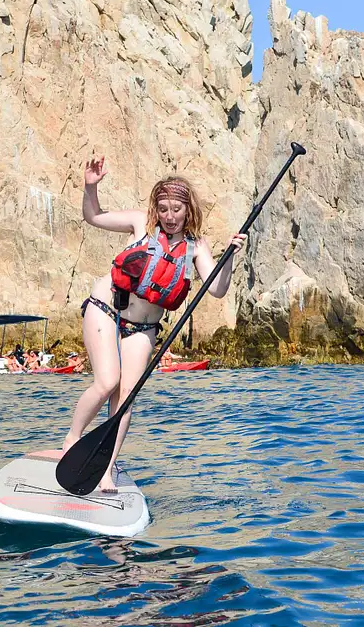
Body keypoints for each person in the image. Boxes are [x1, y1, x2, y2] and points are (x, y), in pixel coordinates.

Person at [62, 155, 246, 492]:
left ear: (188, 210)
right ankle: (72, 440)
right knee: (106, 383)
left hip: (142, 328)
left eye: (177, 209)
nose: (170, 216)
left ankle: (105, 466)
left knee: (125, 398)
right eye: (164, 208)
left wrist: (230, 256)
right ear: (155, 208)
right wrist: (90, 187)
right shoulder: (139, 223)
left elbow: (217, 289)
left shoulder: (195, 247)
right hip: (105, 309)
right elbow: (93, 216)